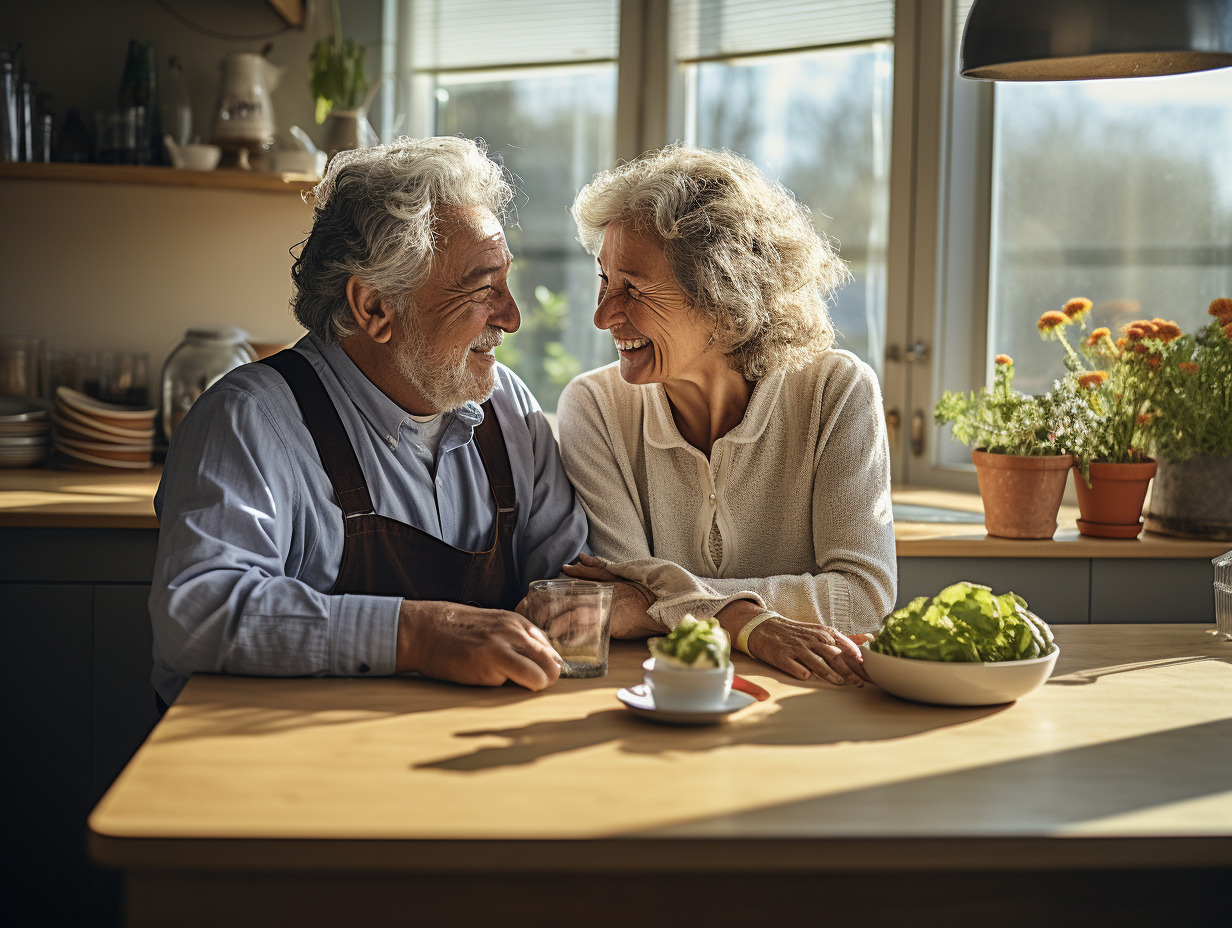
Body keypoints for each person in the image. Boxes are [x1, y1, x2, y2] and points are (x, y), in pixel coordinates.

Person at [149, 136, 588, 707]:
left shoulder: (508, 409)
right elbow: (198, 612)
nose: (512, 316)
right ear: (375, 307)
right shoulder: (248, 421)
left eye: (506, 282)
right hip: (280, 766)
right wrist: (418, 634)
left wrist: (575, 605)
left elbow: (572, 580)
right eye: (482, 288)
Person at [557, 144, 896, 687]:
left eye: (633, 289)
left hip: (807, 702)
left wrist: (658, 603)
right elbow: (614, 586)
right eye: (603, 280)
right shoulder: (595, 408)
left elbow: (862, 598)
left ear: (724, 299)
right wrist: (748, 624)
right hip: (660, 693)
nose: (603, 316)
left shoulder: (836, 390)